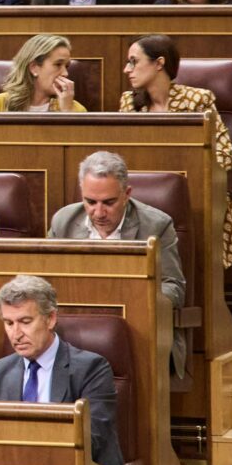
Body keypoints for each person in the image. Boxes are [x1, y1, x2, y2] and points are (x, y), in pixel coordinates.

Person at [0, 275, 141, 465]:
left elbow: (91, 440)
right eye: (9, 323)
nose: (15, 334)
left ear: (51, 318)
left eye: (25, 321)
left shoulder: (92, 368)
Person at [119, 32, 232, 267]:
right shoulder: (129, 103)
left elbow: (224, 155)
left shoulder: (197, 100)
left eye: (134, 61)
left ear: (159, 63)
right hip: (146, 193)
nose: (126, 69)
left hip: (193, 192)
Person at [49, 151, 188, 375]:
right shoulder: (63, 221)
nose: (99, 212)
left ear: (127, 194)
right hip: (76, 325)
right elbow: (46, 281)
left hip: (134, 328)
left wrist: (134, 300)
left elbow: (174, 288)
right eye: (90, 202)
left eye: (109, 202)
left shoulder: (156, 225)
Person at [0, 33, 86, 112]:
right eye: (58, 64)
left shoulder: (76, 110)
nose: (65, 73)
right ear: (34, 67)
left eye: (67, 66)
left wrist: (67, 113)